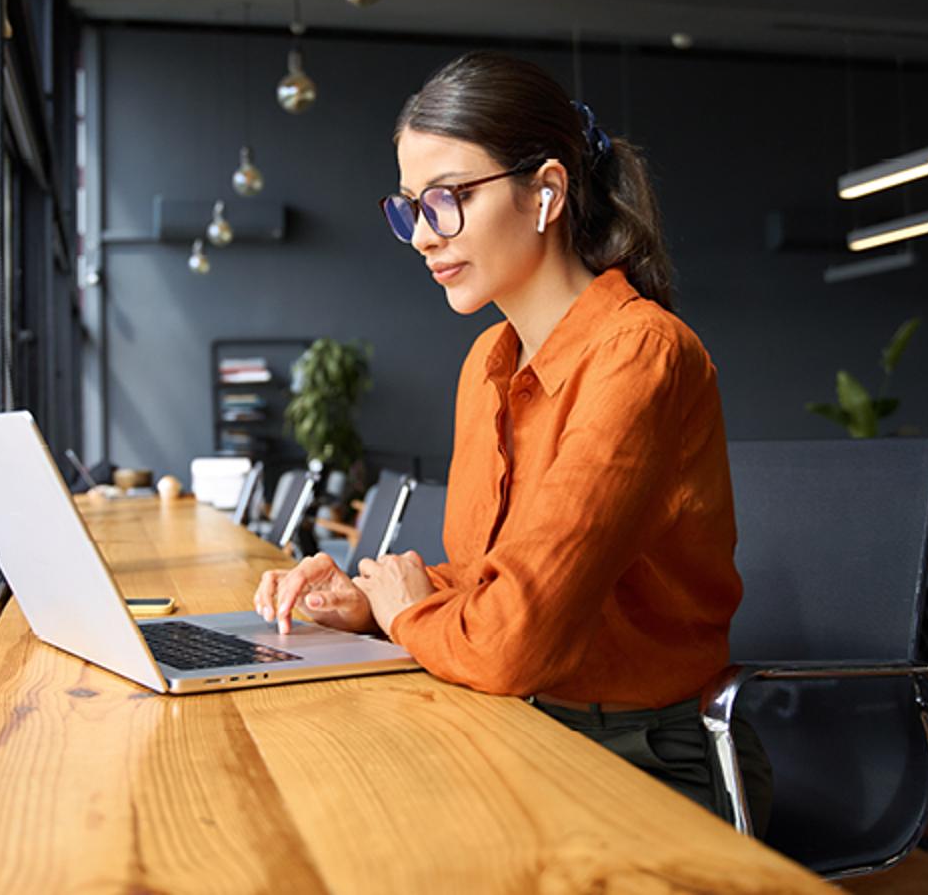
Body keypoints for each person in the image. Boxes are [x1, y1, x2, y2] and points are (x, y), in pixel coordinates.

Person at [252, 51, 772, 836]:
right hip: (518, 724)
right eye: (409, 209)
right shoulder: (488, 363)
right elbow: (488, 577)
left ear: (547, 193)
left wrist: (405, 617)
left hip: (647, 763)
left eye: (448, 199)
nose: (424, 238)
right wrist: (369, 604)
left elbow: (514, 641)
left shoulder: (642, 354)